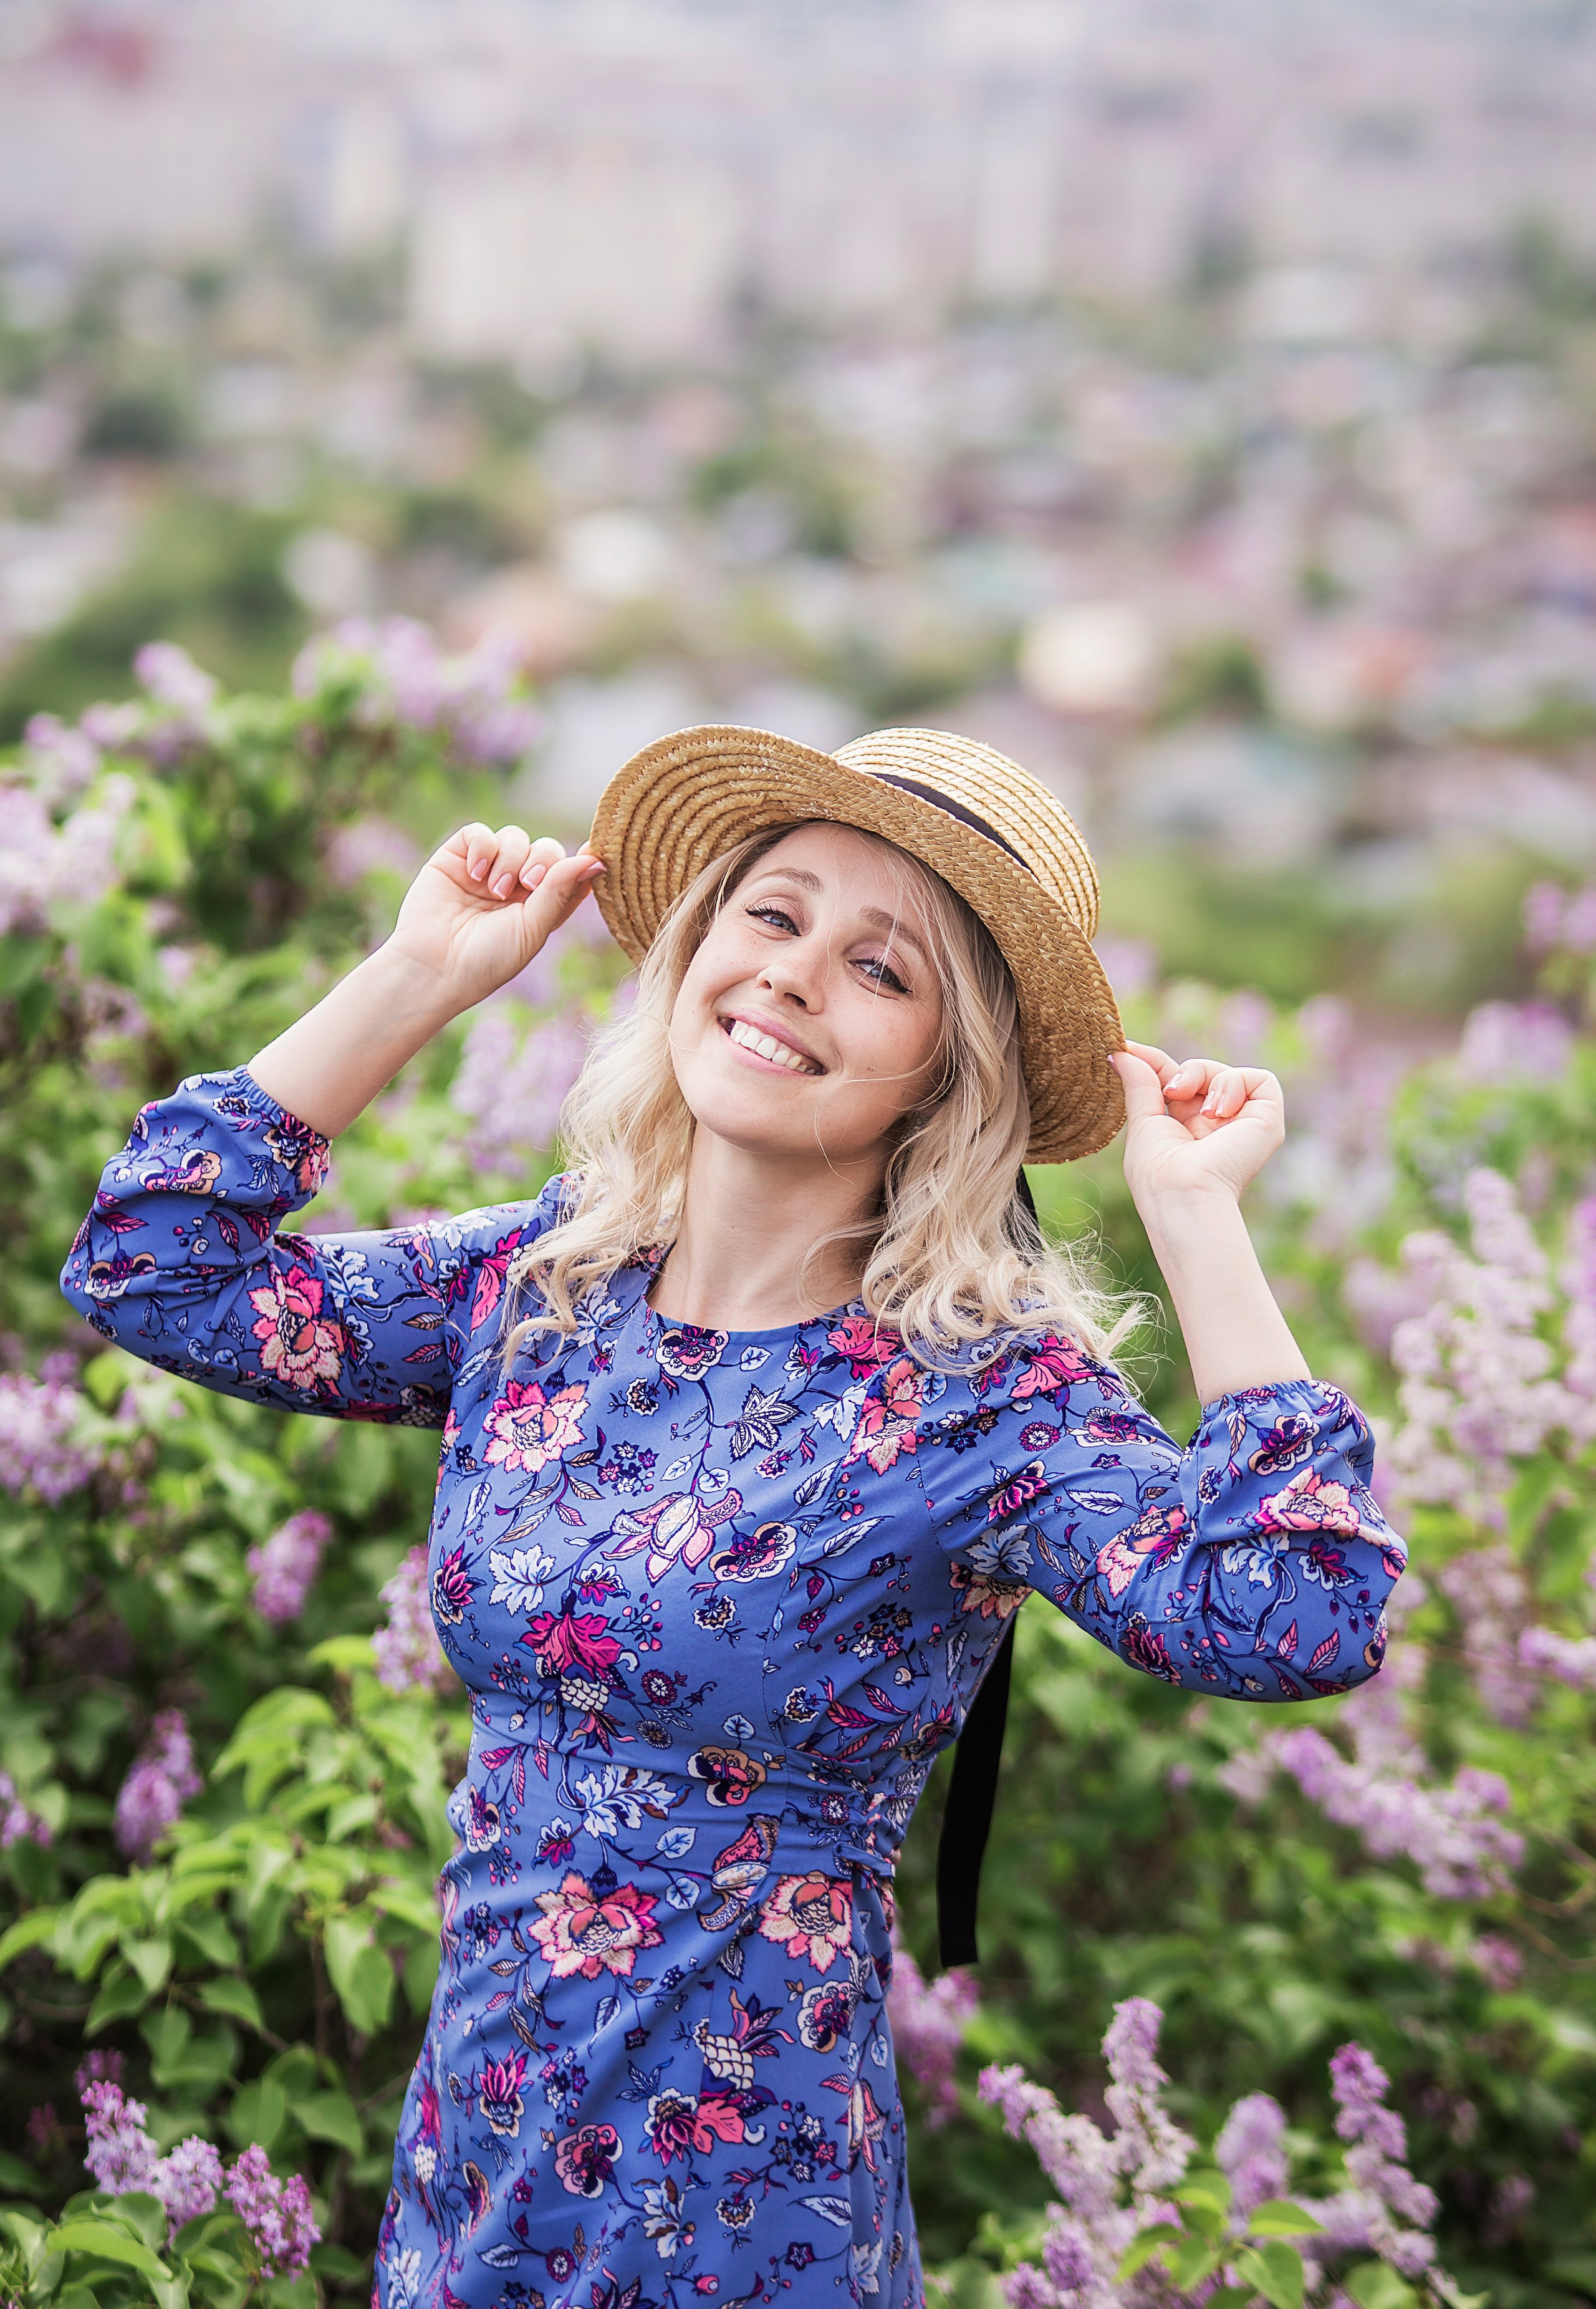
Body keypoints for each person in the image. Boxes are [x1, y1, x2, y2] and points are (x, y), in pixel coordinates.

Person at [62, 725, 1405, 2309]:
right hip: (472, 2182)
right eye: (769, 916)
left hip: (743, 2219)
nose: (791, 976)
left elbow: (1299, 1612)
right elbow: (158, 1263)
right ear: (698, 943)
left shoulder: (981, 1402)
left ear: (946, 1069)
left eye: (880, 968)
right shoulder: (543, 1292)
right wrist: (420, 975)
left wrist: (1193, 1217)